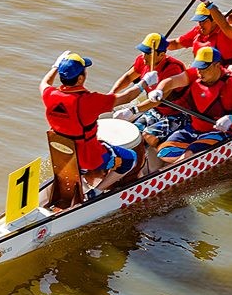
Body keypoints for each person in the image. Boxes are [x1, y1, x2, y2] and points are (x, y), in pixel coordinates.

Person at [40, 51, 158, 192]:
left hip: (63, 154)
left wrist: (54, 67)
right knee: (129, 158)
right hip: (88, 157)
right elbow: (126, 97)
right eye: (84, 71)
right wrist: (144, 83)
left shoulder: (49, 94)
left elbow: (44, 83)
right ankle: (96, 192)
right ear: (80, 79)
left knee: (95, 141)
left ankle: (80, 179)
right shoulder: (90, 100)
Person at [151, 47, 232, 164]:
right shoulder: (195, 74)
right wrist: (159, 90)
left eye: (204, 68)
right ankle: (185, 161)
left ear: (217, 65)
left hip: (220, 132)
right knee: (164, 152)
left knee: (189, 154)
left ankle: (180, 165)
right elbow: (170, 82)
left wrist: (231, 119)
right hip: (193, 129)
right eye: (198, 67)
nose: (199, 71)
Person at [110, 33, 189, 148]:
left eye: (147, 53)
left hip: (177, 114)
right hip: (156, 111)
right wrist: (112, 94)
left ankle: (160, 151)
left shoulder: (173, 69)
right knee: (134, 133)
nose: (143, 56)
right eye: (143, 52)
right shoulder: (143, 61)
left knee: (148, 135)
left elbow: (157, 100)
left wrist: (132, 110)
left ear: (161, 55)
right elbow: (128, 77)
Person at [168, 0, 232, 65]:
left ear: (214, 20)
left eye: (204, 21)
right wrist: (159, 42)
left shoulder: (228, 32)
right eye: (199, 21)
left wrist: (207, 3)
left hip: (229, 72)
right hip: (204, 72)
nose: (200, 24)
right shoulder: (197, 31)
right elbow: (176, 44)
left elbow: (224, 24)